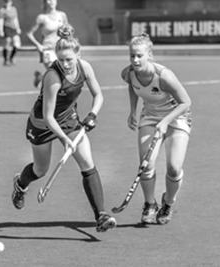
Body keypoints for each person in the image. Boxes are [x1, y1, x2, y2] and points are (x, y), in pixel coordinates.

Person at [12, 24, 117, 233]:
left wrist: (92, 115)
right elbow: (49, 117)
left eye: (69, 59)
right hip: (42, 123)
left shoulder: (85, 67)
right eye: (60, 59)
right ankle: (20, 184)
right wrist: (66, 140)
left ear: (78, 54)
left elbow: (99, 95)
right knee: (40, 170)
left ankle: (101, 216)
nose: (65, 64)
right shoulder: (53, 76)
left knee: (87, 161)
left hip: (68, 119)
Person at [120, 34, 192, 225]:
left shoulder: (164, 76)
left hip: (177, 117)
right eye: (132, 56)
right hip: (150, 116)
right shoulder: (128, 73)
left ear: (149, 55)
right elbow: (132, 86)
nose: (135, 60)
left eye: (139, 56)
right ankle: (149, 204)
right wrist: (132, 111)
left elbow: (186, 102)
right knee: (146, 164)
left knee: (174, 168)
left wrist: (166, 121)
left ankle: (168, 203)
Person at [26, 0, 68, 87]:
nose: (51, 2)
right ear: (45, 2)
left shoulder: (62, 15)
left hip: (60, 49)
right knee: (56, 75)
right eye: (49, 0)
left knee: (63, 75)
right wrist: (38, 45)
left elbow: (67, 31)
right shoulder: (42, 18)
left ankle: (41, 77)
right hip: (48, 50)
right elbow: (29, 33)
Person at [0, 0, 22, 66]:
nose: (7, 3)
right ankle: (6, 60)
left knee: (16, 43)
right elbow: (1, 20)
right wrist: (1, 30)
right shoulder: (2, 10)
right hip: (6, 27)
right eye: (6, 1)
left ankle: (11, 58)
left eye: (8, 1)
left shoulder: (14, 9)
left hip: (13, 28)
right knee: (7, 42)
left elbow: (15, 19)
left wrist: (18, 28)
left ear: (11, 2)